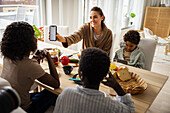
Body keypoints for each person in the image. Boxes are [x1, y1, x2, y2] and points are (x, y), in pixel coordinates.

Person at [0, 22, 60, 113]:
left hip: (12, 99)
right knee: (54, 94)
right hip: (26, 108)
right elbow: (56, 83)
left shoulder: (7, 56)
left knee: (40, 94)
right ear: (27, 42)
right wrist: (48, 56)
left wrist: (35, 58)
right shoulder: (29, 65)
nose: (36, 38)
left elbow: (25, 67)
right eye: (34, 36)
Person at [53, 47, 135, 113]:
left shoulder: (67, 94)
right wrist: (116, 86)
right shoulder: (110, 106)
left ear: (80, 74)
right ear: (104, 76)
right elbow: (130, 109)